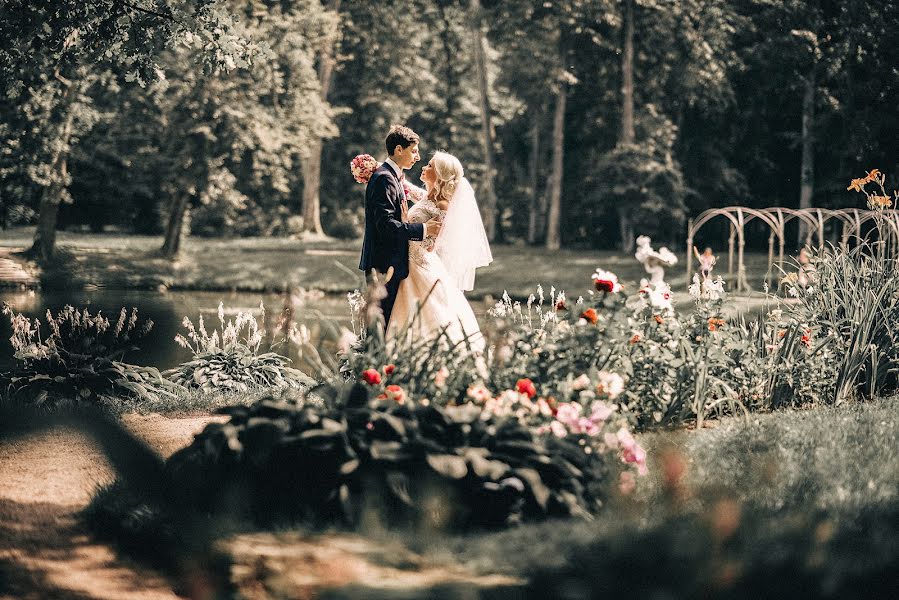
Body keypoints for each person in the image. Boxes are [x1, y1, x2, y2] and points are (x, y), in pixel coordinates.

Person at [386, 151, 492, 350]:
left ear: (440, 174)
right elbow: (409, 189)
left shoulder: (442, 205)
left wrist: (408, 226)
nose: (425, 167)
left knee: (429, 316)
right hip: (408, 263)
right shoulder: (429, 197)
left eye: (430, 166)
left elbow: (432, 243)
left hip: (419, 265)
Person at [358, 125, 442, 326]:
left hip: (391, 263)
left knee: (385, 326)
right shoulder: (384, 178)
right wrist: (424, 229)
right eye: (413, 151)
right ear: (398, 149)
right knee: (380, 325)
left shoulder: (392, 176)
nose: (418, 157)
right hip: (383, 264)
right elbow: (386, 225)